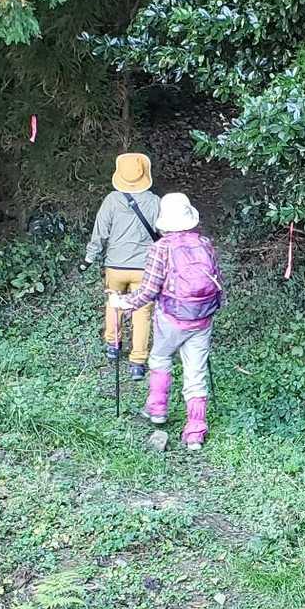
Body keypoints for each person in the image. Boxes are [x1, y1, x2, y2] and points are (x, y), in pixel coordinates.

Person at [111, 192, 223, 449]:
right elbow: (218, 282)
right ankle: (195, 432)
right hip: (202, 319)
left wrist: (122, 302)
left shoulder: (160, 248)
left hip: (172, 318)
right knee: (196, 374)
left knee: (160, 358)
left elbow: (148, 292)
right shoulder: (205, 244)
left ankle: (157, 409)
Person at [84, 154, 162, 380]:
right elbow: (163, 232)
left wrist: (89, 258)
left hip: (115, 266)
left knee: (113, 304)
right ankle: (138, 362)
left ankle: (113, 345)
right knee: (142, 312)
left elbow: (100, 232)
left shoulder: (111, 200)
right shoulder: (154, 201)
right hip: (145, 267)